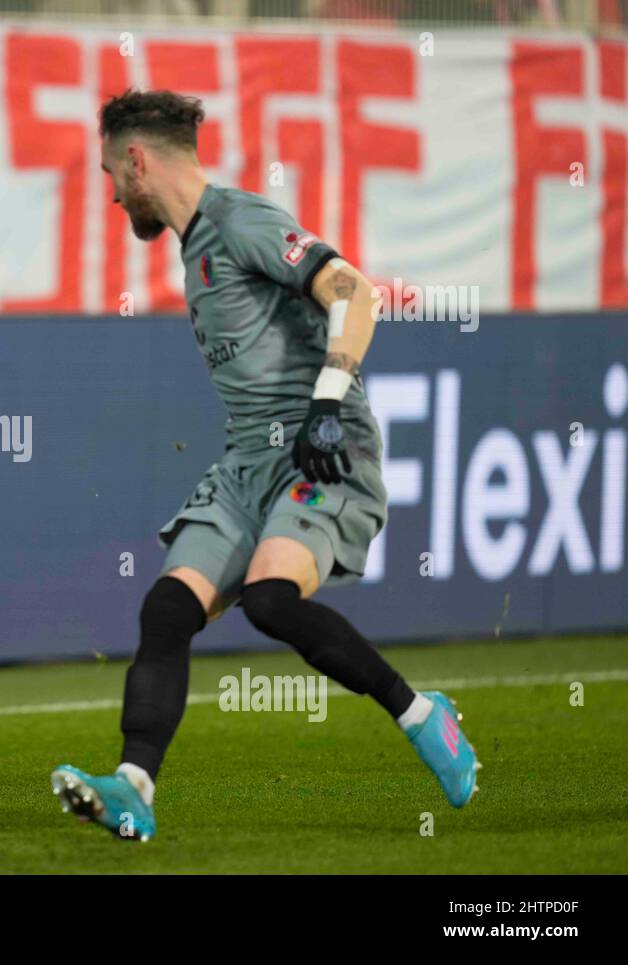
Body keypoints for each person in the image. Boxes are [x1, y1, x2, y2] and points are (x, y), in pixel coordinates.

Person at [51, 89, 477, 841]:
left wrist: (327, 398)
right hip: (249, 461)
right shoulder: (195, 247)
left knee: (273, 599)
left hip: (321, 444)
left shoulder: (241, 221)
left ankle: (421, 714)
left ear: (137, 160)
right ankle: (134, 787)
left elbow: (355, 290)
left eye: (113, 173)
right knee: (166, 611)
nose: (113, 192)